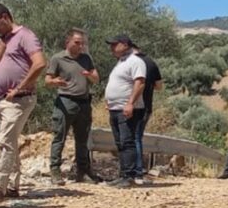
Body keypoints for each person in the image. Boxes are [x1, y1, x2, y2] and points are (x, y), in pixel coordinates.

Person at [0, 3, 46, 203]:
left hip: (19, 100)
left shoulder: (25, 36)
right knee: (5, 143)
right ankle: (12, 185)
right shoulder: (2, 41)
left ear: (5, 17)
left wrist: (19, 88)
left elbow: (40, 63)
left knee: (6, 141)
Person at [44, 28, 100, 185]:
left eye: (82, 43)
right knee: (59, 137)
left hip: (84, 102)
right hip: (65, 101)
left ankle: (83, 172)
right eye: (77, 43)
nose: (80, 46)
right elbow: (47, 81)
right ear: (67, 42)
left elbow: (96, 78)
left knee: (82, 139)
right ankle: (55, 171)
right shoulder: (58, 59)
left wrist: (90, 75)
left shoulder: (86, 58)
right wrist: (55, 82)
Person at [104, 35, 146, 188]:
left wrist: (130, 103)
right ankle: (123, 174)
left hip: (126, 108)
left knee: (127, 142)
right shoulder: (121, 62)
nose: (112, 48)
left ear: (125, 44)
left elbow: (140, 83)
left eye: (115, 44)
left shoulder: (136, 61)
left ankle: (129, 176)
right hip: (115, 108)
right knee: (119, 143)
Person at [131, 46, 162, 184]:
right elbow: (159, 86)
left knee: (133, 138)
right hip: (147, 106)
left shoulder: (131, 62)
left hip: (133, 105)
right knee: (137, 137)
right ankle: (137, 171)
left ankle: (136, 171)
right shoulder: (151, 62)